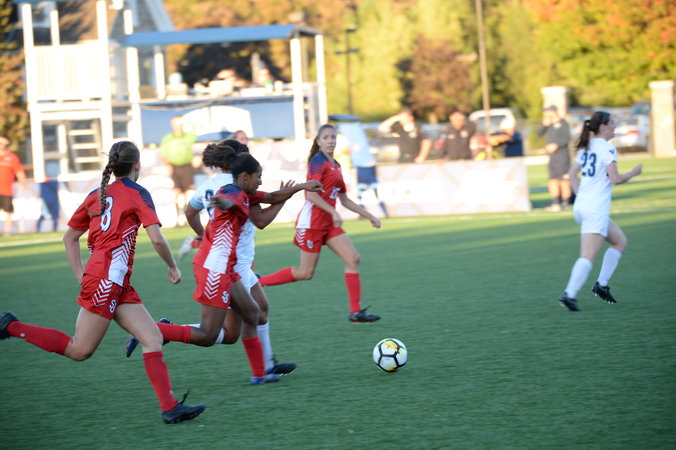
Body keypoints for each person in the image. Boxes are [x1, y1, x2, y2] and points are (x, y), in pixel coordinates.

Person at [0, 141, 206, 424]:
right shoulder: (137, 193)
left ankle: (170, 408)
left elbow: (69, 237)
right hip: (107, 280)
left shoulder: (97, 194)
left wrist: (80, 274)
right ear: (137, 165)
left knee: (152, 338)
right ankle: (11, 326)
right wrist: (172, 266)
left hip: (115, 281)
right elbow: (157, 239)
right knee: (79, 350)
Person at [126, 152, 322, 384]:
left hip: (226, 268)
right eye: (258, 176)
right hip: (213, 270)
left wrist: (302, 186)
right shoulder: (232, 193)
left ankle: (260, 374)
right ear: (245, 177)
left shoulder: (245, 192)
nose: (260, 181)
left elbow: (271, 196)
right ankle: (150, 330)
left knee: (252, 314)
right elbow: (230, 200)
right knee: (208, 335)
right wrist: (224, 203)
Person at [174, 140, 298, 376]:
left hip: (231, 260)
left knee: (256, 313)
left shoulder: (209, 185)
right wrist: (284, 197)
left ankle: (265, 367)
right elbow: (260, 220)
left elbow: (190, 212)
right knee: (235, 327)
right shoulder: (238, 186)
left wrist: (203, 236)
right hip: (231, 263)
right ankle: (263, 369)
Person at [258, 124, 382, 323]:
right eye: (326, 137)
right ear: (318, 141)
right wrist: (332, 211)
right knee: (305, 273)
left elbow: (344, 199)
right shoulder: (317, 161)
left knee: (353, 258)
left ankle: (355, 312)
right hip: (312, 223)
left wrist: (369, 215)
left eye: (333, 137)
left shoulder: (336, 165)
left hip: (328, 223)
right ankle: (257, 283)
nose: (330, 141)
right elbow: (311, 196)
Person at [558, 111, 643, 311]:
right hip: (594, 209)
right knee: (588, 256)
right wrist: (634, 172)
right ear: (603, 126)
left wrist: (580, 195)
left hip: (583, 208)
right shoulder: (607, 147)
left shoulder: (586, 146)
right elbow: (615, 179)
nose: (615, 127)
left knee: (619, 242)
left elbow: (571, 174)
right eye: (612, 123)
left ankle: (601, 285)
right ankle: (568, 295)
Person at [159, 115, 198, 218]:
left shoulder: (188, 136)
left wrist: (186, 123)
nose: (177, 125)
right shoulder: (168, 138)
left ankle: (188, 214)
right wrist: (168, 165)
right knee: (177, 191)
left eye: (179, 123)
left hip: (187, 166)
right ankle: (179, 215)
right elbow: (162, 154)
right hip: (174, 167)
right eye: (175, 123)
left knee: (188, 191)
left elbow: (195, 131)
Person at [537, 105, 572, 211]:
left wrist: (556, 145)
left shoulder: (563, 123)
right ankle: (555, 202)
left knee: (564, 180)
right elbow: (538, 134)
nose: (546, 114)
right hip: (552, 157)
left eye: (548, 111)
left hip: (562, 156)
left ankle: (565, 202)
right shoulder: (549, 124)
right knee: (553, 180)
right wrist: (544, 125)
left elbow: (566, 138)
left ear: (554, 112)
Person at [0, 136, 27, 236]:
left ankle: (7, 231)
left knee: (8, 211)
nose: (3, 146)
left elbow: (19, 171)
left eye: (4, 144)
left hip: (6, 189)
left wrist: (23, 183)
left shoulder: (12, 157)